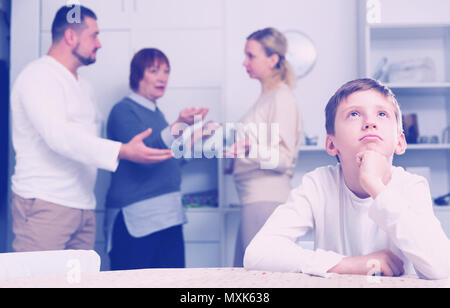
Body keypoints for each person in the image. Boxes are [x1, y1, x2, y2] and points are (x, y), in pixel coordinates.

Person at [244, 78, 450, 280]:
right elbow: (258, 253)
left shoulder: (411, 187)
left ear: (400, 142)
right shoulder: (318, 184)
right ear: (332, 144)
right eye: (353, 114)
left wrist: (375, 185)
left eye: (382, 114)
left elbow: (442, 267)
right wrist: (350, 264)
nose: (370, 122)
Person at [10, 5, 174, 252]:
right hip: (45, 204)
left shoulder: (84, 87)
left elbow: (84, 144)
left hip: (83, 207)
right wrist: (123, 150)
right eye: (94, 35)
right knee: (38, 280)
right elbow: (59, 136)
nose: (99, 44)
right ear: (70, 36)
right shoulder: (38, 76)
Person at [105, 48, 212, 270]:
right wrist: (178, 125)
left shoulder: (156, 114)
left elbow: (169, 160)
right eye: (154, 71)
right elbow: (143, 153)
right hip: (138, 218)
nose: (162, 77)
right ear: (137, 75)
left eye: (166, 71)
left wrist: (195, 137)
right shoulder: (123, 111)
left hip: (169, 215)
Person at [228, 27, 302, 267]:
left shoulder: (282, 98)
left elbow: (284, 159)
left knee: (256, 278)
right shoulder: (266, 99)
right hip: (254, 199)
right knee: (245, 275)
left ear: (272, 59)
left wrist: (248, 149)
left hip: (265, 200)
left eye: (251, 56)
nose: (244, 62)